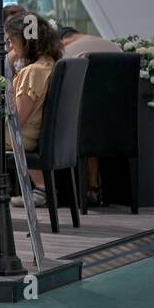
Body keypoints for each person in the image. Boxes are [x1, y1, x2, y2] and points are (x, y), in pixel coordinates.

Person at [58, 26, 123, 206]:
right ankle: (93, 187)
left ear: (63, 39)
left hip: (84, 126)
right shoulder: (115, 48)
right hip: (123, 126)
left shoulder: (66, 51)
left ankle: (64, 191)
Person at [4, 11, 63, 205]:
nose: (10, 47)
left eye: (12, 41)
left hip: (21, 138)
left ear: (26, 40)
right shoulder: (50, 64)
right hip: (35, 136)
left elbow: (17, 120)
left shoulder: (32, 72)